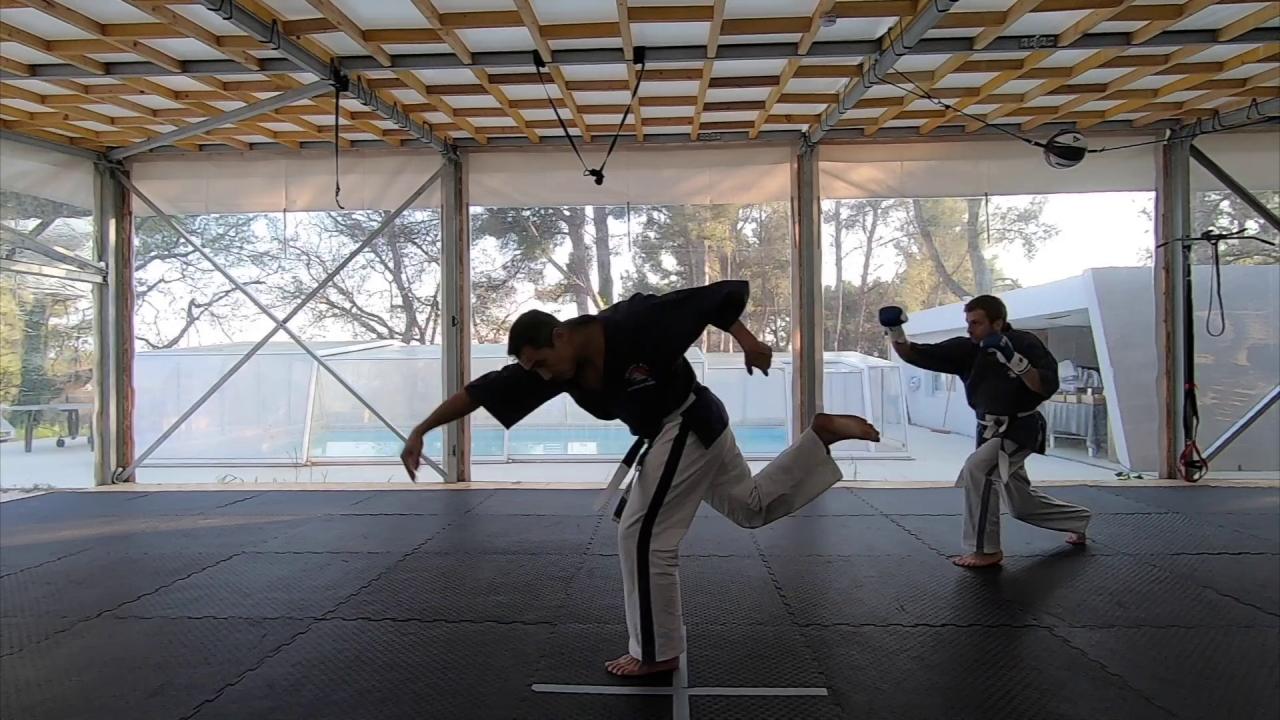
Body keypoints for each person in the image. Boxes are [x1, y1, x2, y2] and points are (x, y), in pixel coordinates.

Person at [401, 280, 880, 677]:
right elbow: (478, 393)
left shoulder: (634, 321)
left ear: (560, 336)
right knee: (751, 507)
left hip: (685, 420)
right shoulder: (556, 370)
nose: (540, 376)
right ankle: (818, 437)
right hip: (693, 425)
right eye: (533, 369)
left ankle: (657, 652)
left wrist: (748, 341)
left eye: (541, 363)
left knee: (643, 537)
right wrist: (421, 430)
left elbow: (715, 298)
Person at [880, 295, 1091, 569]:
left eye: (976, 323)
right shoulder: (968, 349)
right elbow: (913, 353)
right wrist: (895, 329)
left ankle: (985, 550)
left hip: (1020, 429)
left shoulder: (1025, 343)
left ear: (998, 323)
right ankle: (1078, 520)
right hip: (988, 431)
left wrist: (1013, 359)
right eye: (968, 322)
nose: (970, 329)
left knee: (978, 470)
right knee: (1020, 503)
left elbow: (1044, 386)